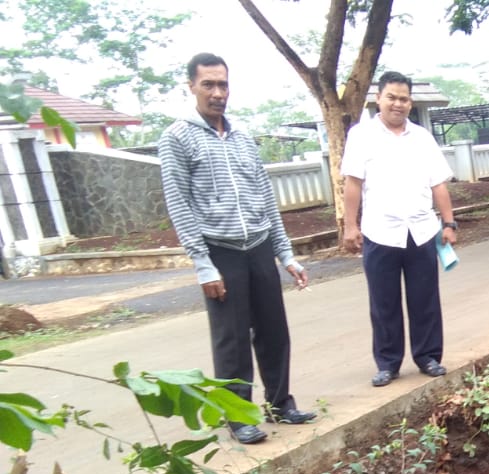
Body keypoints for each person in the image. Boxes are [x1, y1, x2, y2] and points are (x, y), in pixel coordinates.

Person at [158, 52, 315, 445]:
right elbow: (179, 202)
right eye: (208, 84)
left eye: (222, 84)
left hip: (259, 244)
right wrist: (202, 264)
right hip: (220, 250)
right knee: (231, 339)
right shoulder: (177, 138)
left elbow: (265, 198)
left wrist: (286, 254)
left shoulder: (243, 138)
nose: (217, 92)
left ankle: (280, 403)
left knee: (274, 332)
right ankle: (237, 415)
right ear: (191, 86)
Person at [341, 70, 458, 387]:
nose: (398, 103)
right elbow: (353, 183)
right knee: (384, 303)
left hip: (421, 230)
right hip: (381, 232)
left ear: (411, 102)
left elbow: (439, 184)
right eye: (391, 97)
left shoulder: (422, 137)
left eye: (404, 98)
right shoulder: (361, 136)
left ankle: (429, 357)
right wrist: (350, 226)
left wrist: (448, 223)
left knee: (425, 299)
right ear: (378, 98)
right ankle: (388, 363)